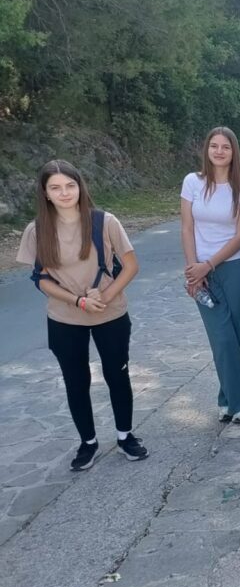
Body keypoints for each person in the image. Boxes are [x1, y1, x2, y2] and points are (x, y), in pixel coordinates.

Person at [17, 160, 146, 471]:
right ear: (45, 193)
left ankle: (125, 436)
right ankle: (88, 442)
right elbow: (42, 279)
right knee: (76, 381)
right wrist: (78, 301)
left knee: (117, 374)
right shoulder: (37, 230)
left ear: (80, 186)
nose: (64, 193)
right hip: (65, 316)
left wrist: (105, 296)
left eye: (70, 186)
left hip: (110, 313)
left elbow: (130, 266)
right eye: (55, 188)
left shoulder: (105, 222)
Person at [180, 127, 240, 422]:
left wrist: (209, 264)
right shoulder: (192, 182)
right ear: (207, 150)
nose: (219, 151)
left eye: (225, 147)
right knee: (221, 337)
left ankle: (232, 399)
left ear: (234, 152)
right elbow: (187, 227)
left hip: (235, 267)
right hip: (200, 269)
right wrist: (194, 269)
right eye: (214, 146)